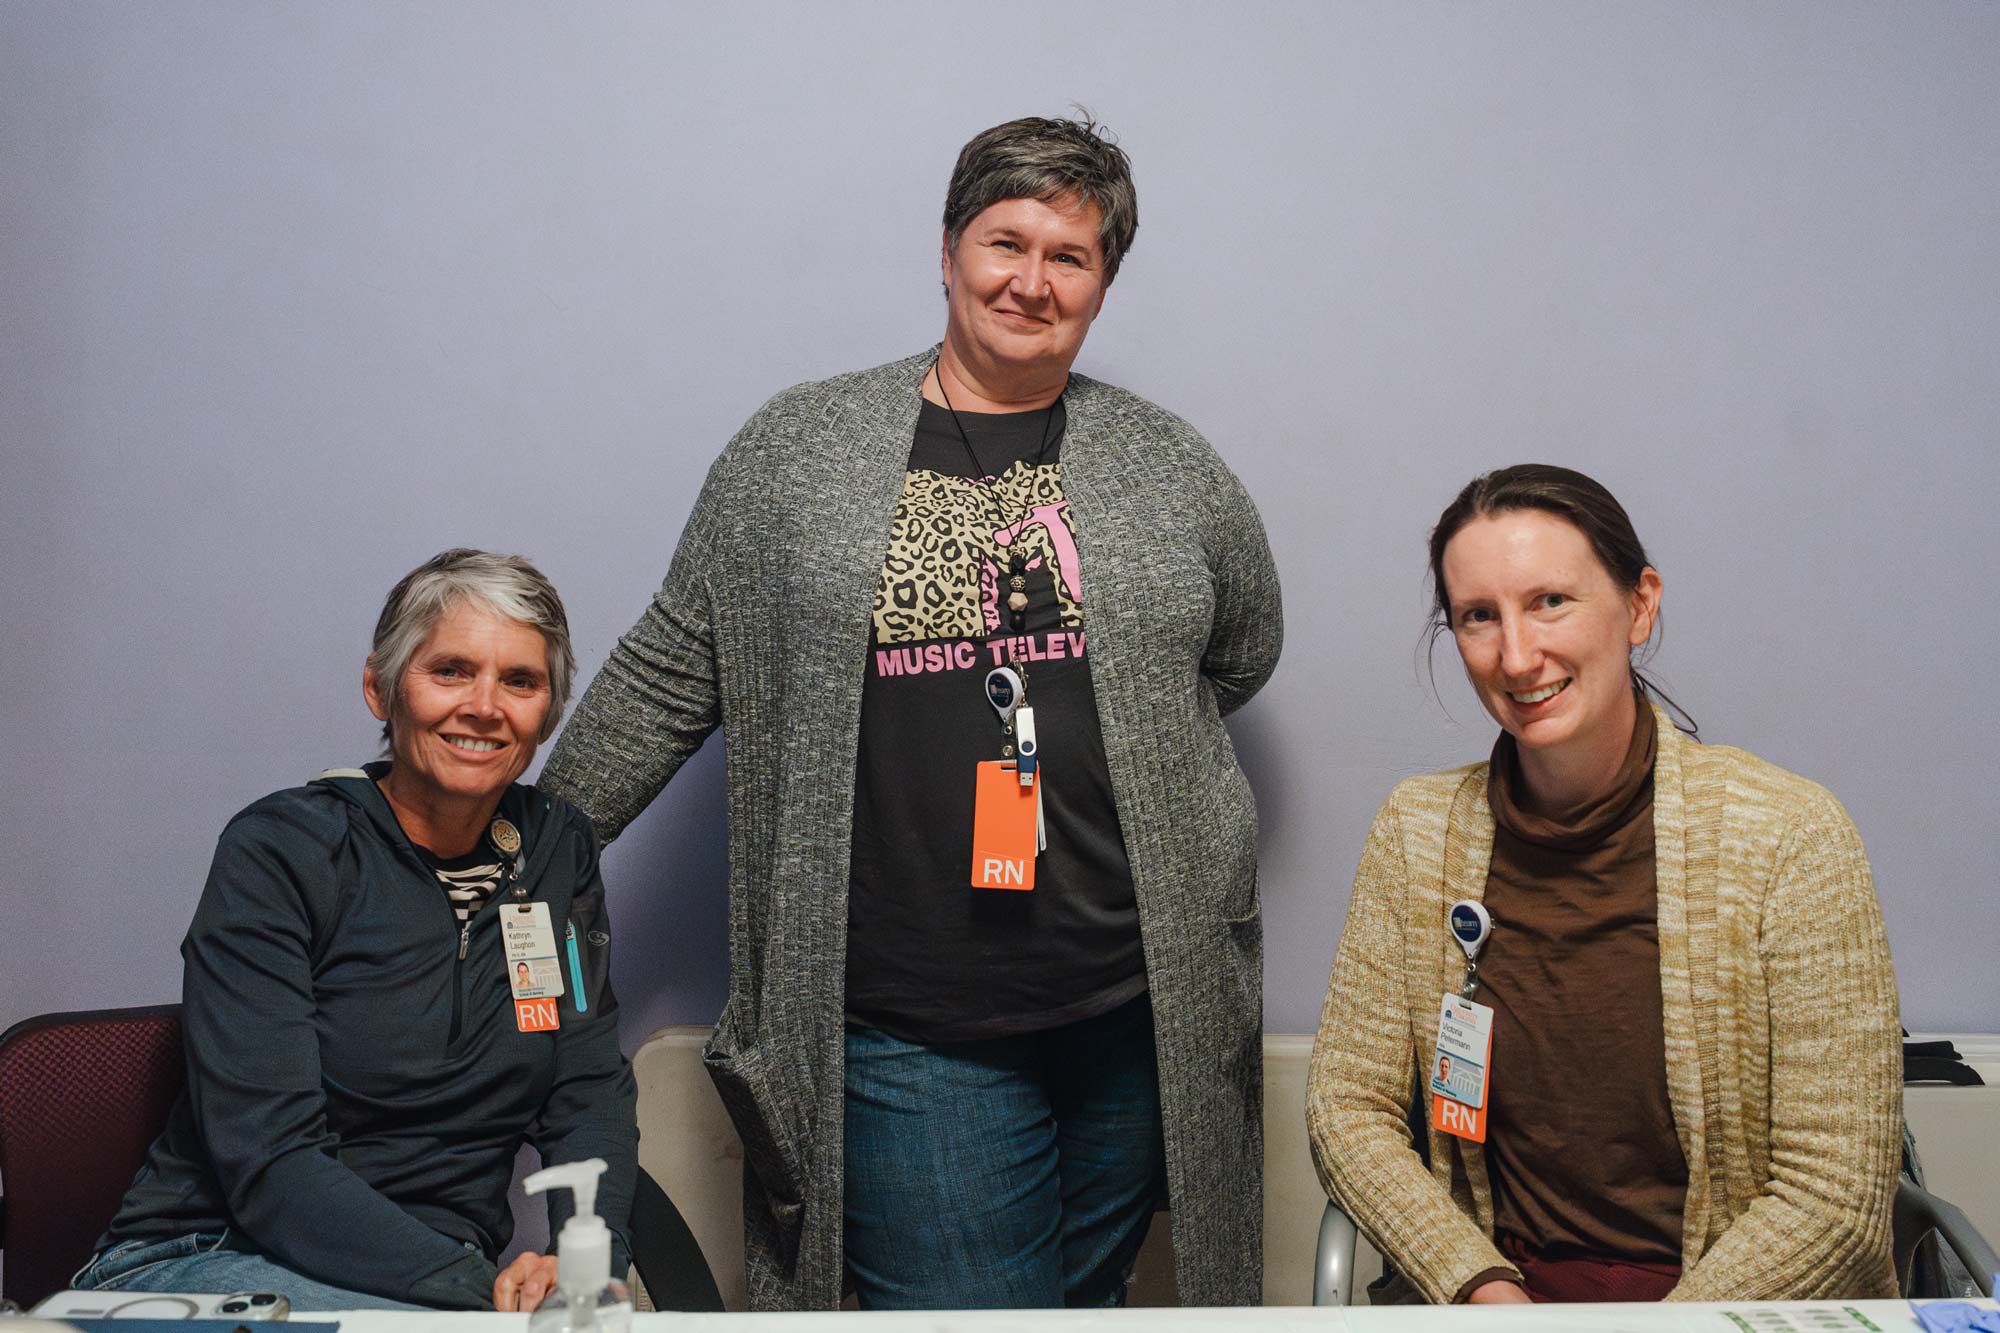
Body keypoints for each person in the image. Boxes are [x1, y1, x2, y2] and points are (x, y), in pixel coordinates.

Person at [540, 114, 1281, 1311]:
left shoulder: (1166, 462)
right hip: (913, 1015)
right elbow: (679, 663)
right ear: (945, 252)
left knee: (1084, 1304)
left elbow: (1239, 650)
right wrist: (529, 841)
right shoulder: (798, 451)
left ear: (1102, 284)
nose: (1029, 281)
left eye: (1070, 256)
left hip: (1134, 1010)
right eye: (1004, 241)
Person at [1307, 465, 1900, 1305]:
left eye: (1551, 601)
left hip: (1729, 1307)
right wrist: (1474, 1283)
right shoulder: (1417, 832)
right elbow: (1347, 1107)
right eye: (1480, 616)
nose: (1517, 656)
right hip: (1498, 1302)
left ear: (1640, 603)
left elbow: (1834, 1201)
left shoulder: (1790, 836)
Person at [76, 550, 638, 1312]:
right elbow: (270, 1160)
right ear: (380, 687)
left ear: (549, 707)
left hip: (437, 1280)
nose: (484, 705)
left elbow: (586, 1086)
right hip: (213, 1254)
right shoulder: (284, 850)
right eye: (450, 670)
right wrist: (485, 1295)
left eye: (520, 680)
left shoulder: (554, 850)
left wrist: (584, 1263)